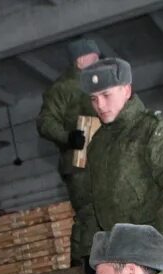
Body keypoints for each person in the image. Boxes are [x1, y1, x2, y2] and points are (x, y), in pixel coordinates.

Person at [74, 58, 163, 274]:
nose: (100, 106)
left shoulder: (157, 132)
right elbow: (89, 202)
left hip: (153, 259)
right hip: (115, 262)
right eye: (94, 99)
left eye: (106, 95)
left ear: (126, 89)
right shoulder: (97, 144)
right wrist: (90, 251)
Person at [36, 38, 100, 242]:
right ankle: (84, 263)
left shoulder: (99, 83)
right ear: (79, 61)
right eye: (93, 58)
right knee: (89, 215)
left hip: (103, 157)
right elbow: (45, 122)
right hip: (79, 163)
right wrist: (68, 138)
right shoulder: (63, 88)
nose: (97, 62)